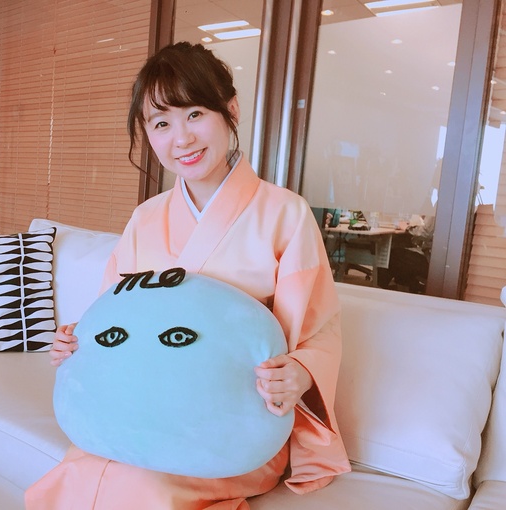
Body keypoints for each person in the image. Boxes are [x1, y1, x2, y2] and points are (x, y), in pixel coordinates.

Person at [25, 42, 350, 510]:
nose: (181, 139)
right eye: (161, 123)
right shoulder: (145, 218)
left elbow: (318, 330)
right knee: (84, 474)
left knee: (141, 489)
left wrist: (300, 372)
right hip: (137, 414)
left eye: (195, 114)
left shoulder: (285, 214)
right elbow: (114, 314)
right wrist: (77, 342)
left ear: (230, 110)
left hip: (228, 426)